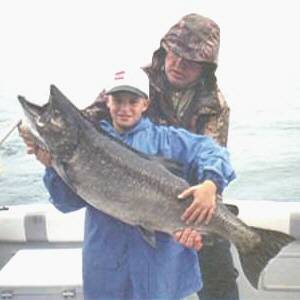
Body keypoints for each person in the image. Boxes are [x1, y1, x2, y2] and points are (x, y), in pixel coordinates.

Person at [19, 67, 236, 300]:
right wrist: (51, 167)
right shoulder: (89, 142)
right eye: (118, 100)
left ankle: (251, 242)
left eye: (133, 101)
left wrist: (211, 184)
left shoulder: (168, 139)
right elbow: (66, 203)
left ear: (146, 104)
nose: (124, 108)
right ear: (107, 102)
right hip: (106, 270)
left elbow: (213, 152)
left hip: (160, 270)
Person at [83, 13, 239, 300]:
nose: (178, 64)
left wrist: (209, 188)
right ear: (164, 50)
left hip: (188, 198)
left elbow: (213, 154)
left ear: (206, 67)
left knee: (220, 274)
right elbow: (85, 128)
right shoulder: (134, 83)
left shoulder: (214, 103)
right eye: (174, 53)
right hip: (138, 193)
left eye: (190, 60)